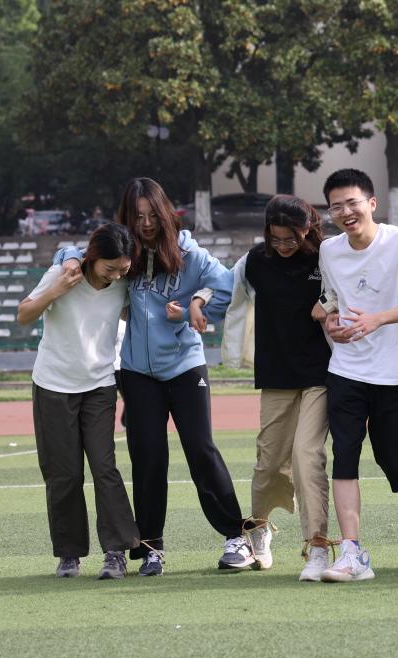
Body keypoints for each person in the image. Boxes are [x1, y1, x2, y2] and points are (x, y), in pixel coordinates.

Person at [55, 177, 252, 575]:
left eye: (152, 215)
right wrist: (71, 258)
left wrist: (197, 304)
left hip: (184, 366)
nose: (145, 224)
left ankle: (236, 537)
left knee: (200, 449)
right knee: (148, 457)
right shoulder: (123, 252)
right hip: (137, 372)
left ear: (165, 214)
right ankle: (151, 548)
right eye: (137, 216)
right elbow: (71, 250)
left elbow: (228, 285)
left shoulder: (189, 253)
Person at [311, 168, 398, 582]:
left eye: (352, 203)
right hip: (345, 369)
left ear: (371, 203)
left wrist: (378, 319)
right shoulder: (329, 250)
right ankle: (352, 553)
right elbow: (331, 299)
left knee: (396, 462)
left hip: (392, 372)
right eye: (336, 206)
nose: (345, 212)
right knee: (344, 455)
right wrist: (329, 320)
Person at [17, 222, 140, 579]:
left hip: (99, 386)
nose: (116, 275)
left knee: (104, 467)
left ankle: (115, 552)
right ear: (93, 257)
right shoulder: (63, 274)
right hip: (53, 386)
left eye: (122, 269)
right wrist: (55, 289)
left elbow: (129, 311)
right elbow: (24, 315)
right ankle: (69, 554)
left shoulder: (122, 285)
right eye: (109, 268)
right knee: (64, 473)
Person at [221, 195, 333, 581]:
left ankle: (317, 544)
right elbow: (223, 288)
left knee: (306, 456)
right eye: (277, 238)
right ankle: (259, 528)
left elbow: (351, 288)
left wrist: (327, 302)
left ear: (307, 229)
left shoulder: (326, 257)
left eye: (292, 238)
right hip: (276, 372)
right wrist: (200, 301)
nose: (284, 246)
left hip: (321, 372)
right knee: (268, 461)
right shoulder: (255, 261)